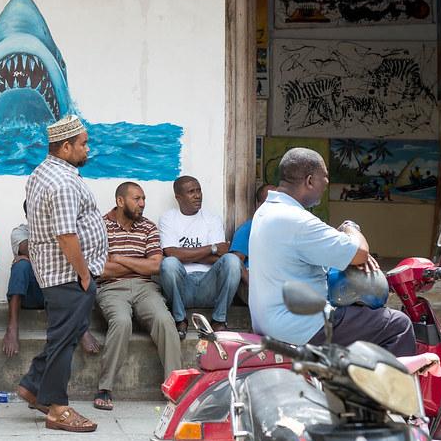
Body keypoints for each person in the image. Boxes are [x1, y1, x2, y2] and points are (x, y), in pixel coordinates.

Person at [249, 147, 414, 355]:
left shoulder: (266, 210)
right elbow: (360, 253)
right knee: (398, 325)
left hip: (271, 320)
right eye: (324, 180)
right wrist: (350, 226)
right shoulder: (297, 220)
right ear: (309, 181)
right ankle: (392, 388)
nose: (326, 186)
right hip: (300, 326)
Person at [17, 115, 107, 434]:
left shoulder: (43, 171)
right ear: (66, 147)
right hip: (68, 274)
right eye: (83, 143)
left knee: (65, 335)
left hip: (55, 271)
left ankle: (33, 386)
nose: (87, 148)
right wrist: (84, 274)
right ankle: (57, 408)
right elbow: (66, 235)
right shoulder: (64, 182)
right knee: (63, 342)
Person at [93, 181, 180, 411]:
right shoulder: (100, 226)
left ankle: (175, 387)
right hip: (111, 288)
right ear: (120, 201)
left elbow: (155, 265)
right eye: (137, 199)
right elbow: (100, 269)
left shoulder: (149, 227)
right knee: (121, 322)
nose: (142, 204)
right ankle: (105, 387)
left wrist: (119, 259)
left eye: (143, 199)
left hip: (145, 288)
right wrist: (138, 264)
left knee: (164, 320)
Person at [3, 202, 102, 358]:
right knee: (21, 265)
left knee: (76, 268)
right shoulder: (20, 232)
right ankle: (12, 327)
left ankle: (82, 328)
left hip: (57, 293)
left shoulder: (65, 232)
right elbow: (30, 251)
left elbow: (72, 256)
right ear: (28, 215)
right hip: (32, 294)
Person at [158, 176, 240, 337]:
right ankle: (180, 319)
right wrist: (212, 248)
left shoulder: (212, 218)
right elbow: (171, 253)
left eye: (199, 190)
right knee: (169, 264)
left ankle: (218, 320)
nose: (197, 195)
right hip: (182, 286)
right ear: (178, 197)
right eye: (191, 192)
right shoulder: (168, 219)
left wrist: (185, 254)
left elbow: (221, 257)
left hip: (209, 284)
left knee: (232, 261)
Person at [228, 183, 275, 286]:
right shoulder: (247, 229)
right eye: (270, 202)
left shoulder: (284, 229)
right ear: (259, 205)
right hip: (256, 284)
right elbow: (236, 263)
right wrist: (254, 288)